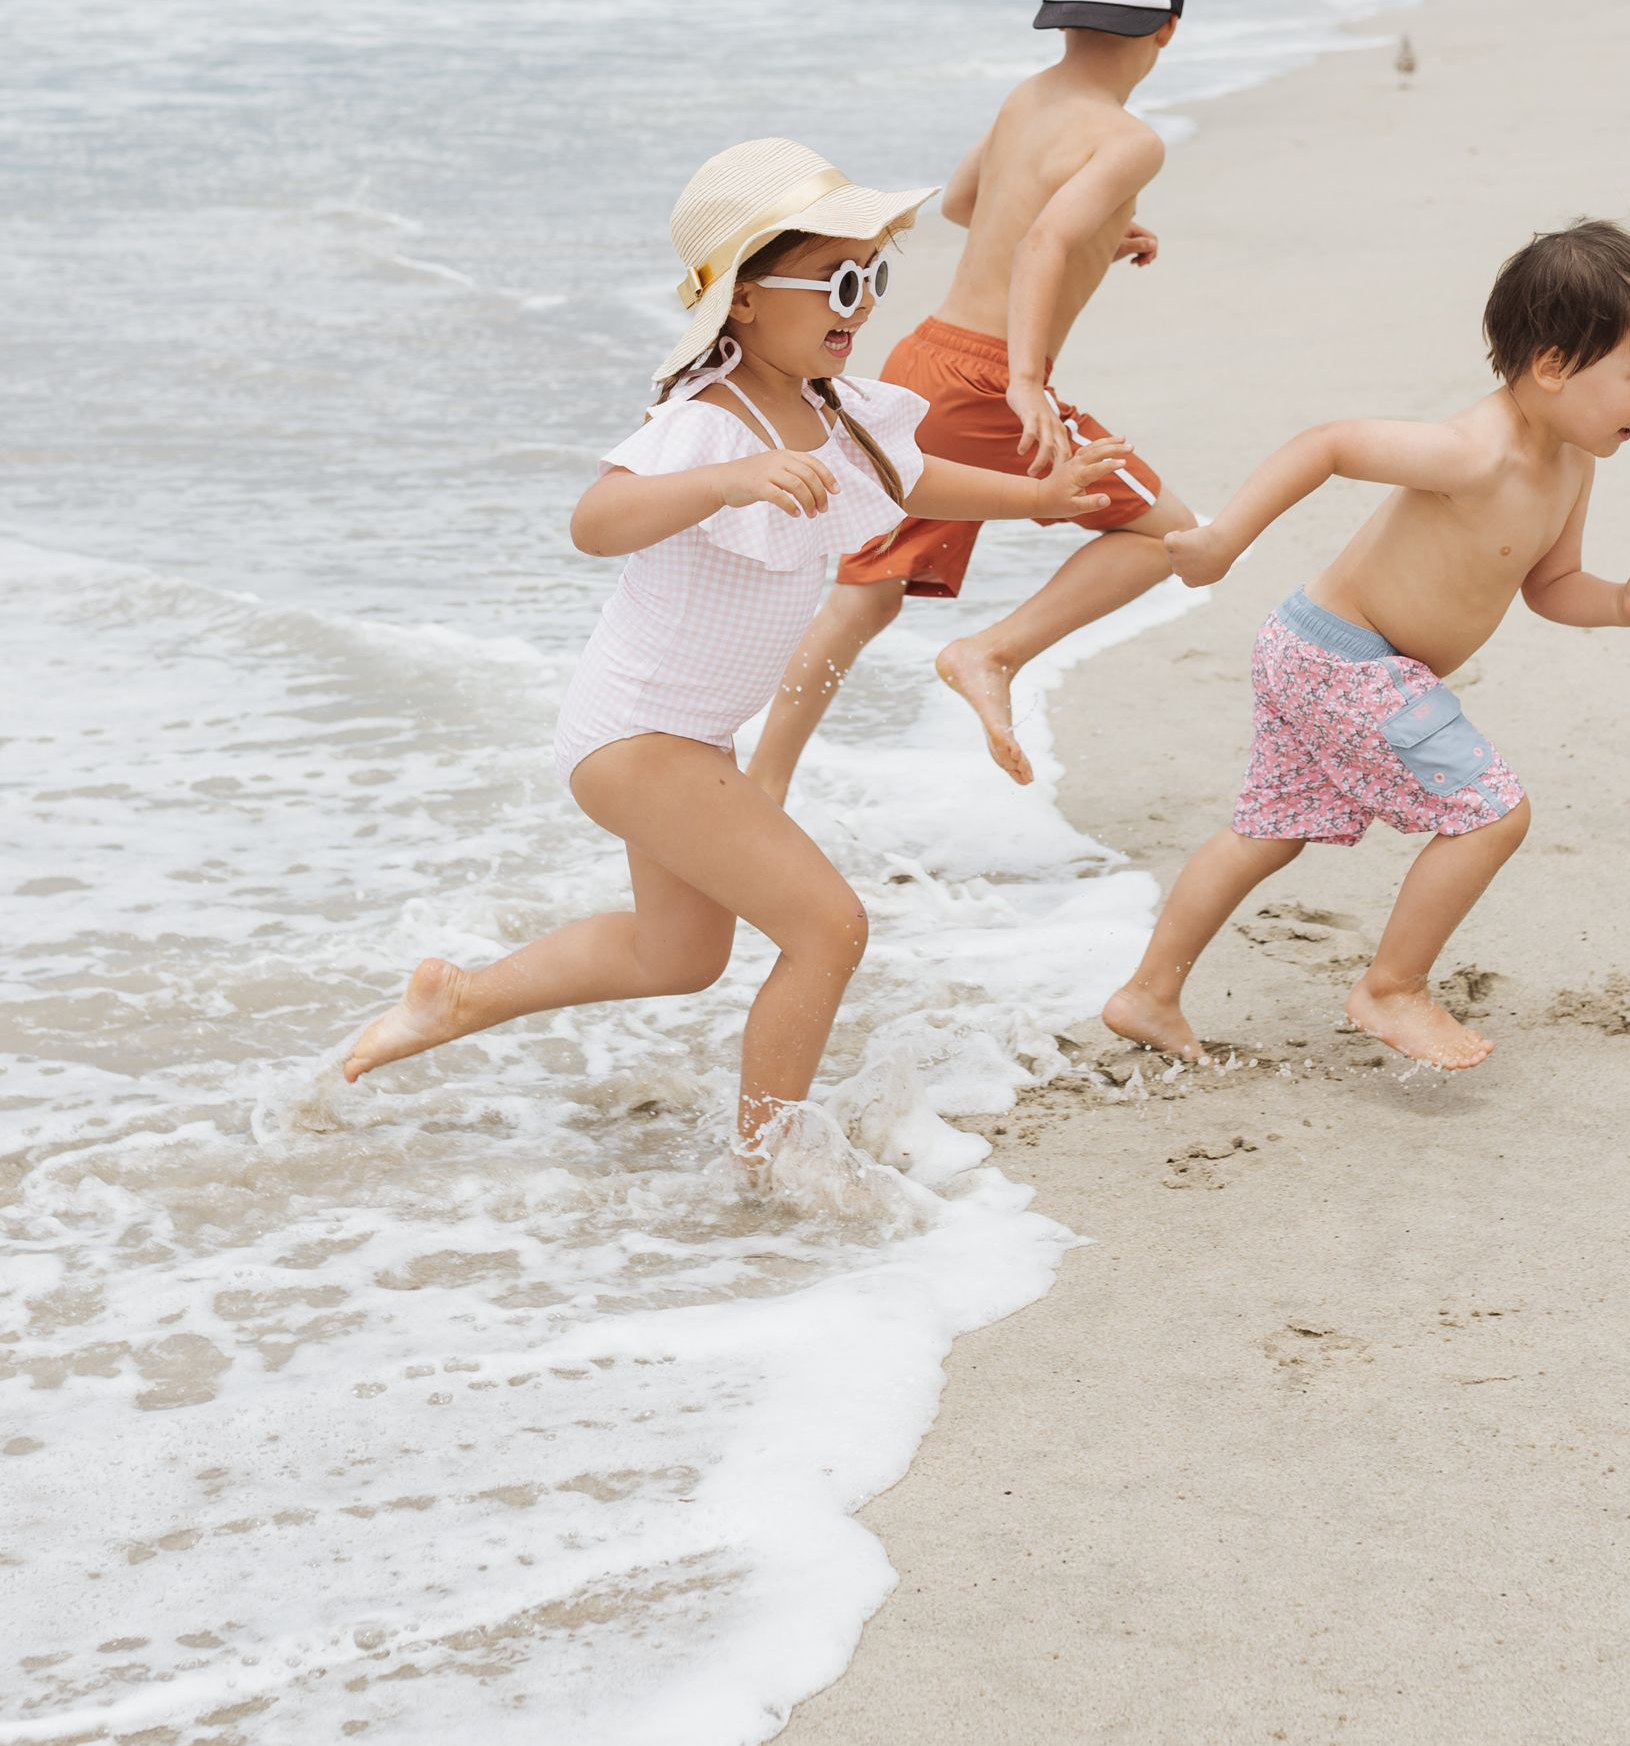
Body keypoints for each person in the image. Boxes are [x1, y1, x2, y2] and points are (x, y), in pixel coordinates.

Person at [342, 138, 1126, 1150]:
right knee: (828, 928)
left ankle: (456, 1000)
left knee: (677, 956)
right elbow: (594, 521)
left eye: (873, 277)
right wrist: (721, 483)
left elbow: (907, 479)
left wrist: (1040, 498)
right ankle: (768, 1160)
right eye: (838, 281)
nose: (860, 304)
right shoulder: (708, 421)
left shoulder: (823, 407)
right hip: (636, 737)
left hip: (684, 736)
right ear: (745, 301)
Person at [1102, 219, 1630, 1073]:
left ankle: (1148, 995)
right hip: (1346, 659)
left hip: (1317, 651)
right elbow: (1331, 445)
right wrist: (1224, 537)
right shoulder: (1473, 452)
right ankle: (1391, 988)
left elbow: (1549, 585)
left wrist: (1621, 603)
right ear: (1555, 364)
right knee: (1492, 813)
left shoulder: (1571, 464)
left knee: (1267, 833)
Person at [745, 0, 1198, 801]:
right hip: (990, 377)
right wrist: (1026, 379)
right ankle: (991, 652)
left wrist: (1097, 232)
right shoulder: (1128, 139)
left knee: (867, 592)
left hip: (923, 360)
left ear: (1060, 16)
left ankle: (764, 786)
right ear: (1169, 28)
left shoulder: (1026, 97)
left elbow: (964, 205)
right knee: (1175, 537)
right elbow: (1037, 246)